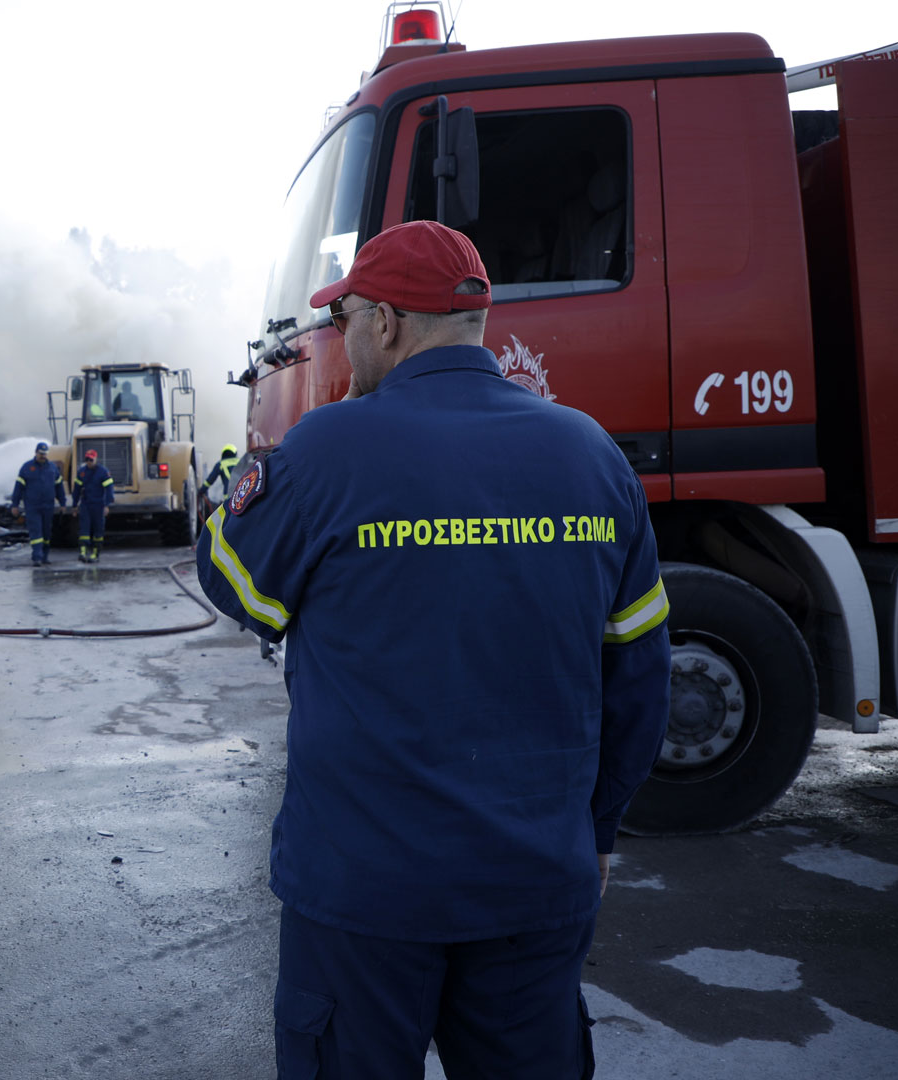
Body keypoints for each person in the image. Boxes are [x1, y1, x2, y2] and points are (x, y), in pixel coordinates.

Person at [194, 220, 671, 1079]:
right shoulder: (593, 455)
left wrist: (233, 493)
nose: (341, 339)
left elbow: (240, 588)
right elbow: (639, 675)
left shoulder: (328, 448)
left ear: (384, 323)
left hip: (363, 891)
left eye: (344, 321)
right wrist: (594, 833)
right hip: (537, 883)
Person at [9, 442, 66, 566]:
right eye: (41, 454)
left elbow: (59, 487)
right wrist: (15, 504)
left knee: (46, 533)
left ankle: (44, 556)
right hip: (32, 506)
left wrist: (63, 503)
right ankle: (37, 557)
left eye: (45, 454)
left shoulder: (52, 468)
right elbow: (18, 487)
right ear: (36, 452)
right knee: (36, 532)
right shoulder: (26, 468)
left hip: (48, 506)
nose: (43, 456)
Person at [73, 449, 113, 562]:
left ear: (96, 459)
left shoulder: (103, 472)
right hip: (86, 504)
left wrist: (106, 505)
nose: (89, 462)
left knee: (98, 530)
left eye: (91, 459)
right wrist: (74, 505)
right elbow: (76, 489)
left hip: (99, 505)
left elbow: (109, 490)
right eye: (87, 459)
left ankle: (95, 554)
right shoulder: (82, 472)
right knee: (84, 530)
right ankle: (82, 552)